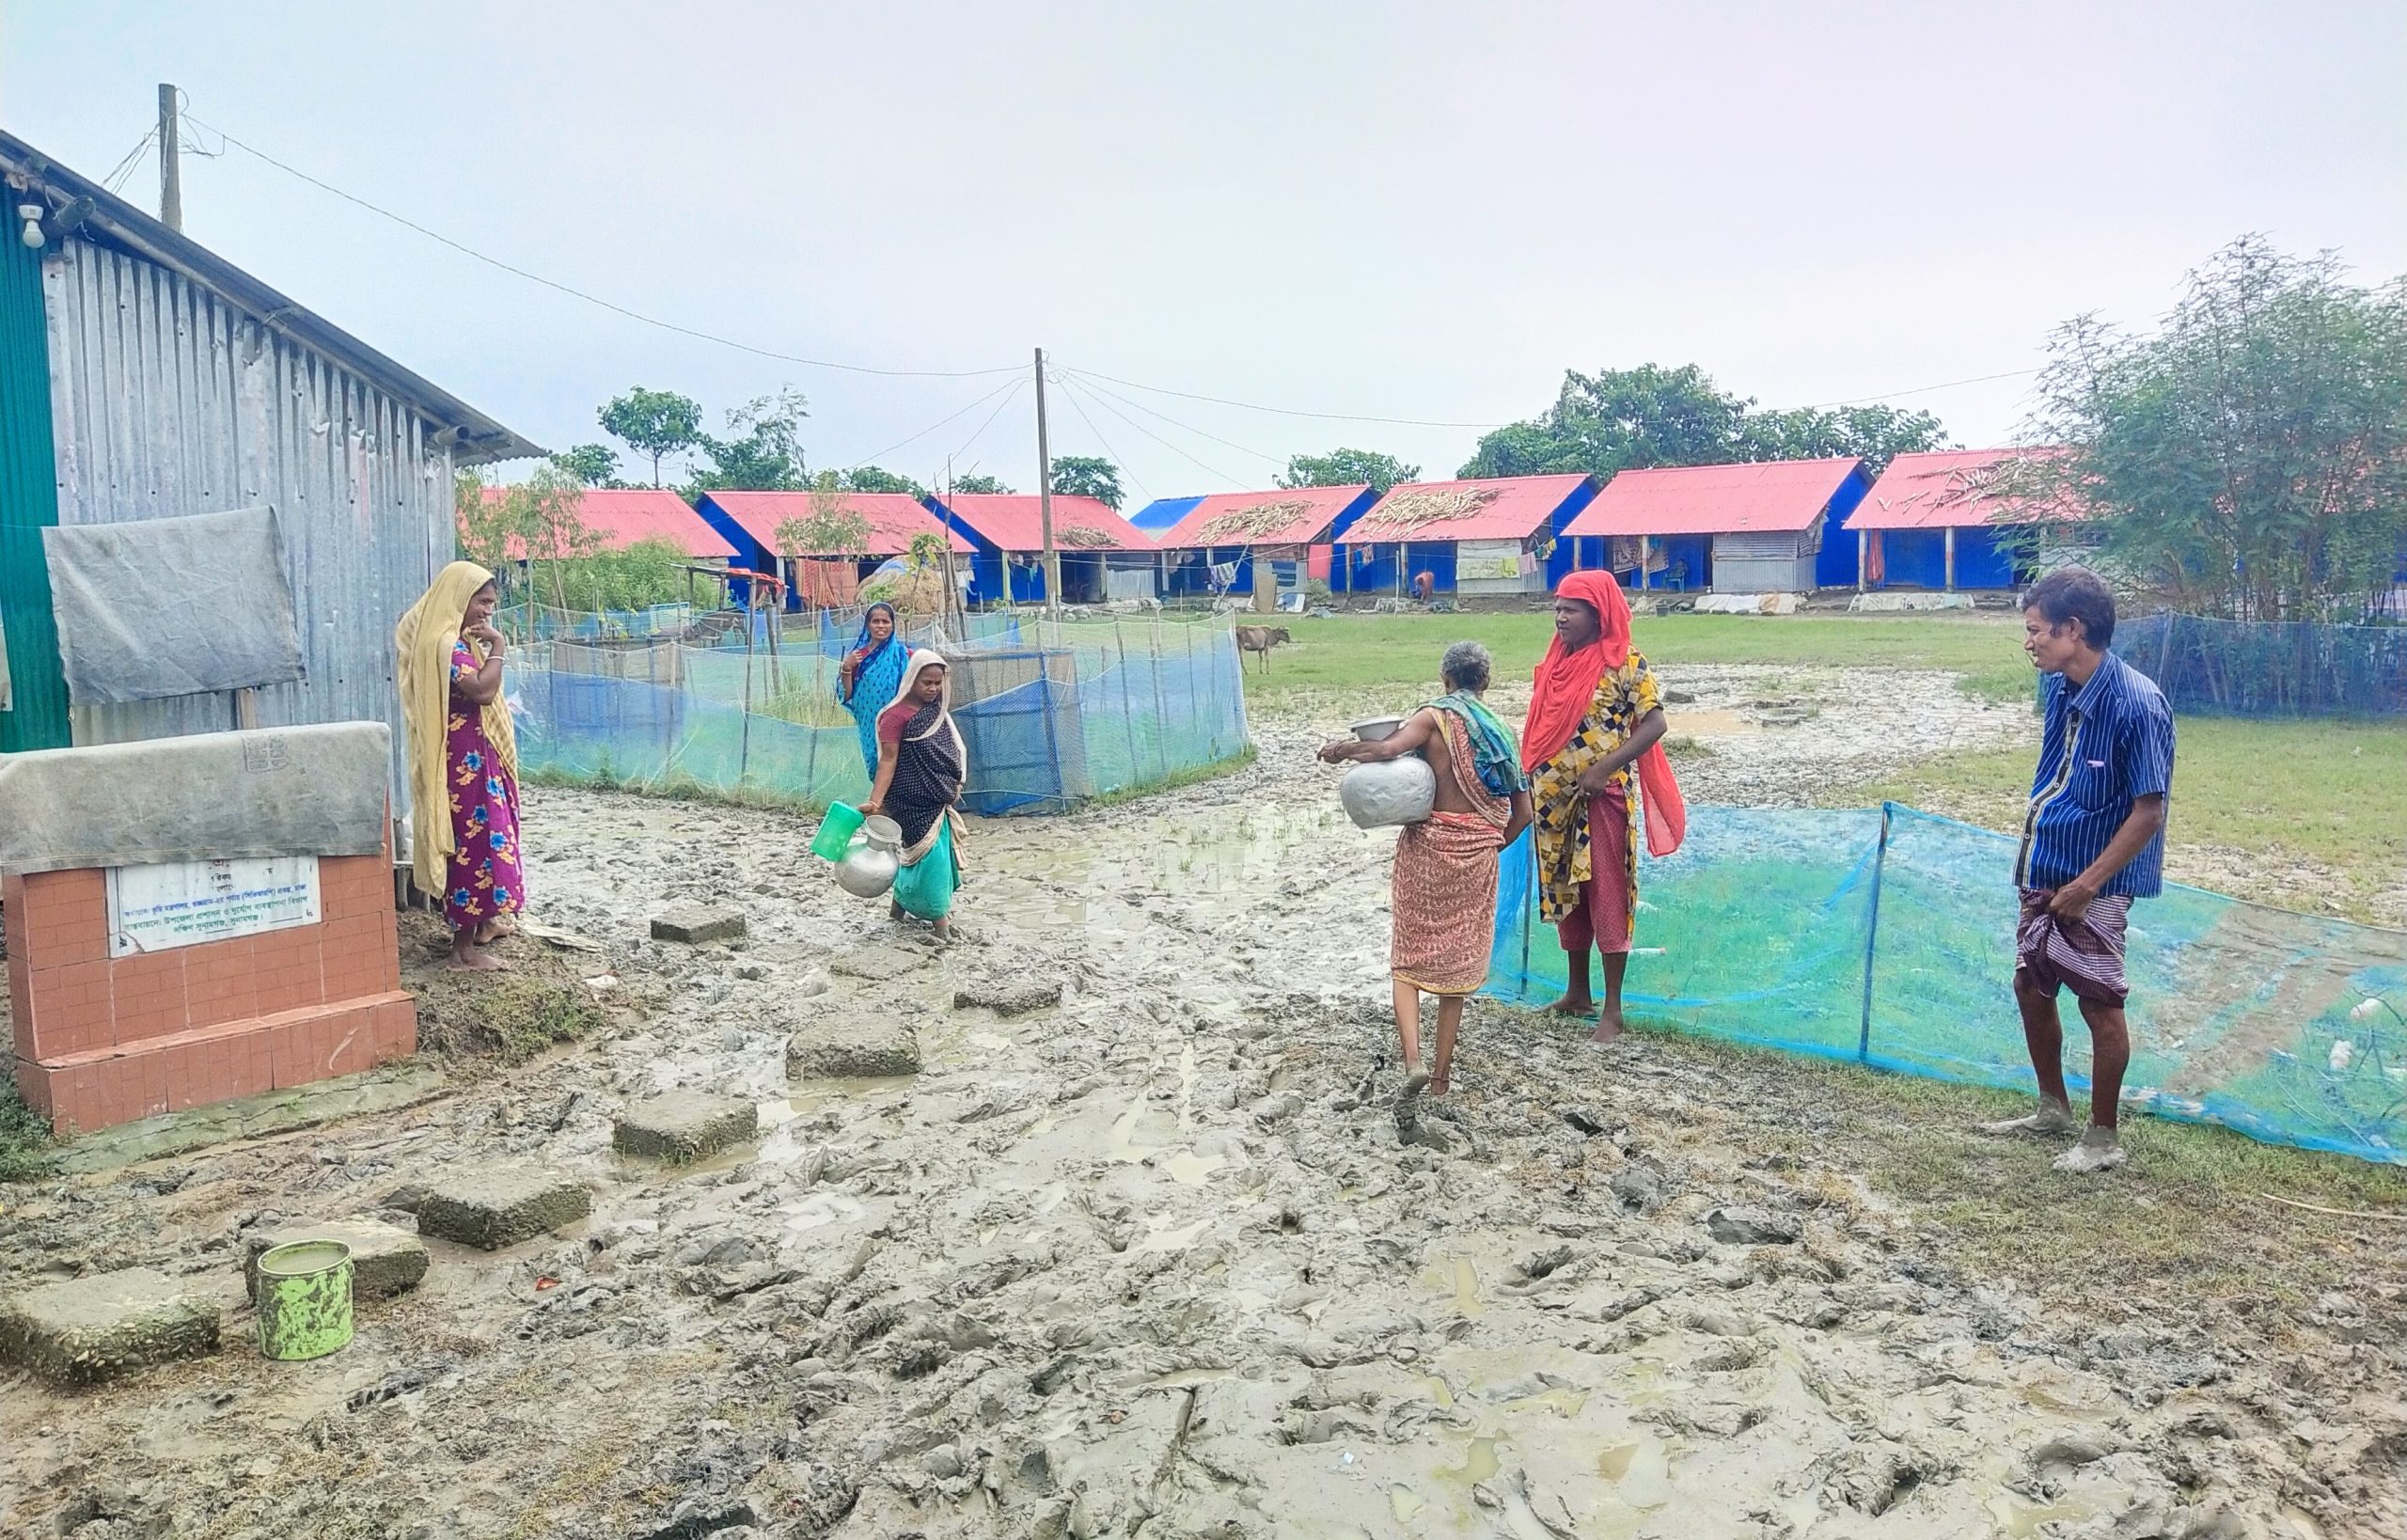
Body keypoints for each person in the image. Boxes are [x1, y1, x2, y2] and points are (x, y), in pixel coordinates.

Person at [1981, 567, 2173, 1174]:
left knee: (2098, 1002)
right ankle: (2053, 1109)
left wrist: (2088, 885)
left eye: (2036, 630)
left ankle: (2103, 1138)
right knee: (2031, 984)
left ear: (2073, 629)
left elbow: (2149, 812)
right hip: (2046, 866)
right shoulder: (2061, 689)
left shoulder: (2137, 704)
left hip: (2096, 884)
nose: (2028, 642)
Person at [1320, 642, 1534, 1099]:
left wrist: (1341, 750)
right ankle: (1440, 1079)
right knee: (1456, 969)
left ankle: (1412, 1061)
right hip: (1477, 854)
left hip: (1428, 852)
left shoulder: (1433, 717)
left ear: (1445, 679)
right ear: (1486, 681)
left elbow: (1385, 749)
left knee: (1408, 959)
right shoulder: (1500, 731)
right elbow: (1524, 813)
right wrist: (1489, 846)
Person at [1521, 571, 1686, 1042]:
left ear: (1599, 615)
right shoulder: (1556, 663)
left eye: (1571, 609)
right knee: (1566, 893)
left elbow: (1654, 724)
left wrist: (1601, 769)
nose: (1560, 617)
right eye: (1557, 608)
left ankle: (1613, 1009)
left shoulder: (1625, 663)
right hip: (1554, 802)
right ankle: (1578, 992)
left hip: (1602, 798)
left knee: (1608, 892)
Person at [396, 561, 525, 972]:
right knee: (472, 845)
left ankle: (485, 924)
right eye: (482, 602)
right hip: (462, 765)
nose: (487, 611)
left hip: (474, 757)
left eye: (491, 604)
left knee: (487, 837)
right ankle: (462, 952)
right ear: (459, 598)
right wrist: (499, 646)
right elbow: (482, 691)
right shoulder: (446, 645)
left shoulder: (454, 640)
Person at [862, 649, 967, 939]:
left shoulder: (936, 713)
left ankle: (897, 913)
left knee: (915, 859)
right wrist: (875, 801)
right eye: (927, 683)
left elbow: (950, 750)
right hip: (907, 802)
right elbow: (888, 760)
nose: (933, 689)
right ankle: (941, 926)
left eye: (938, 683)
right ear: (911, 680)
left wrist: (953, 783)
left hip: (935, 799)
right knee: (931, 863)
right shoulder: (894, 717)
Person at [836, 602, 906, 778]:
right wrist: (846, 668)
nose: (881, 626)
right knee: (875, 763)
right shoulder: (858, 657)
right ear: (868, 625)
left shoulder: (903, 655)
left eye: (885, 621)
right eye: (876, 621)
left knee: (898, 764)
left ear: (893, 625)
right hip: (869, 722)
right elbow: (847, 695)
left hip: (897, 721)